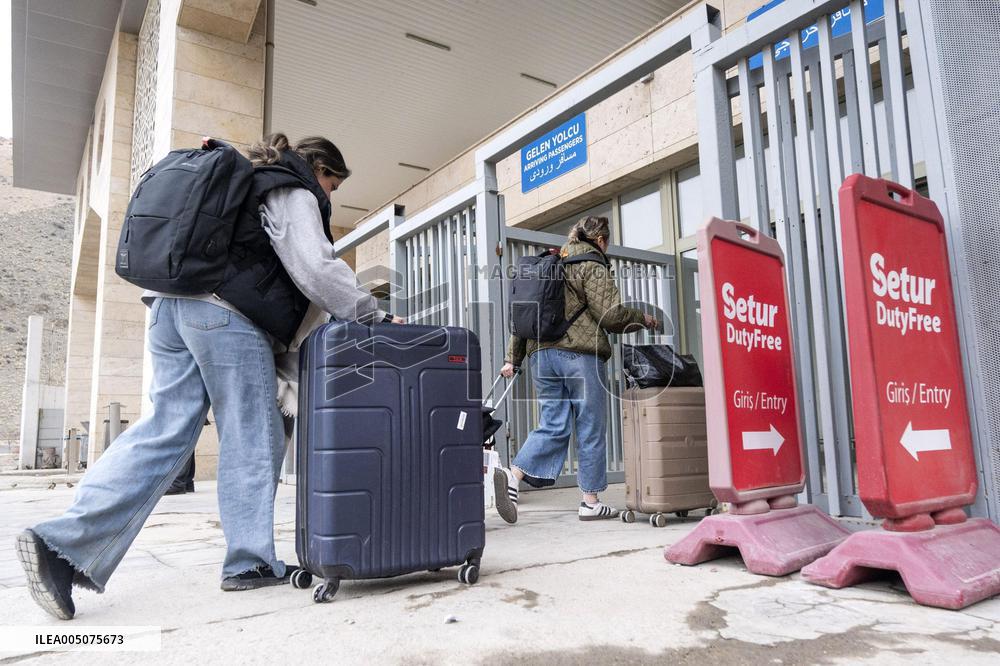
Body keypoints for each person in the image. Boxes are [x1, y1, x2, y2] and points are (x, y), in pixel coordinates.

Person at [15, 133, 391, 620]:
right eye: (332, 185)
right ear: (319, 167)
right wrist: (371, 315)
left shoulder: (245, 183)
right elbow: (315, 268)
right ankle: (250, 562)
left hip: (169, 308)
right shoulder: (290, 187)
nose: (330, 195)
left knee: (164, 431)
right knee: (254, 437)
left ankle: (61, 546)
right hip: (223, 316)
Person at [494, 216, 657, 524]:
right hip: (579, 356)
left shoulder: (549, 264)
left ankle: (512, 477)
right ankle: (590, 502)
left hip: (541, 357)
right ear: (601, 240)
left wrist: (512, 359)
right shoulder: (591, 264)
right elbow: (611, 316)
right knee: (590, 426)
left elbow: (524, 318)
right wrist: (642, 318)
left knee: (552, 423)